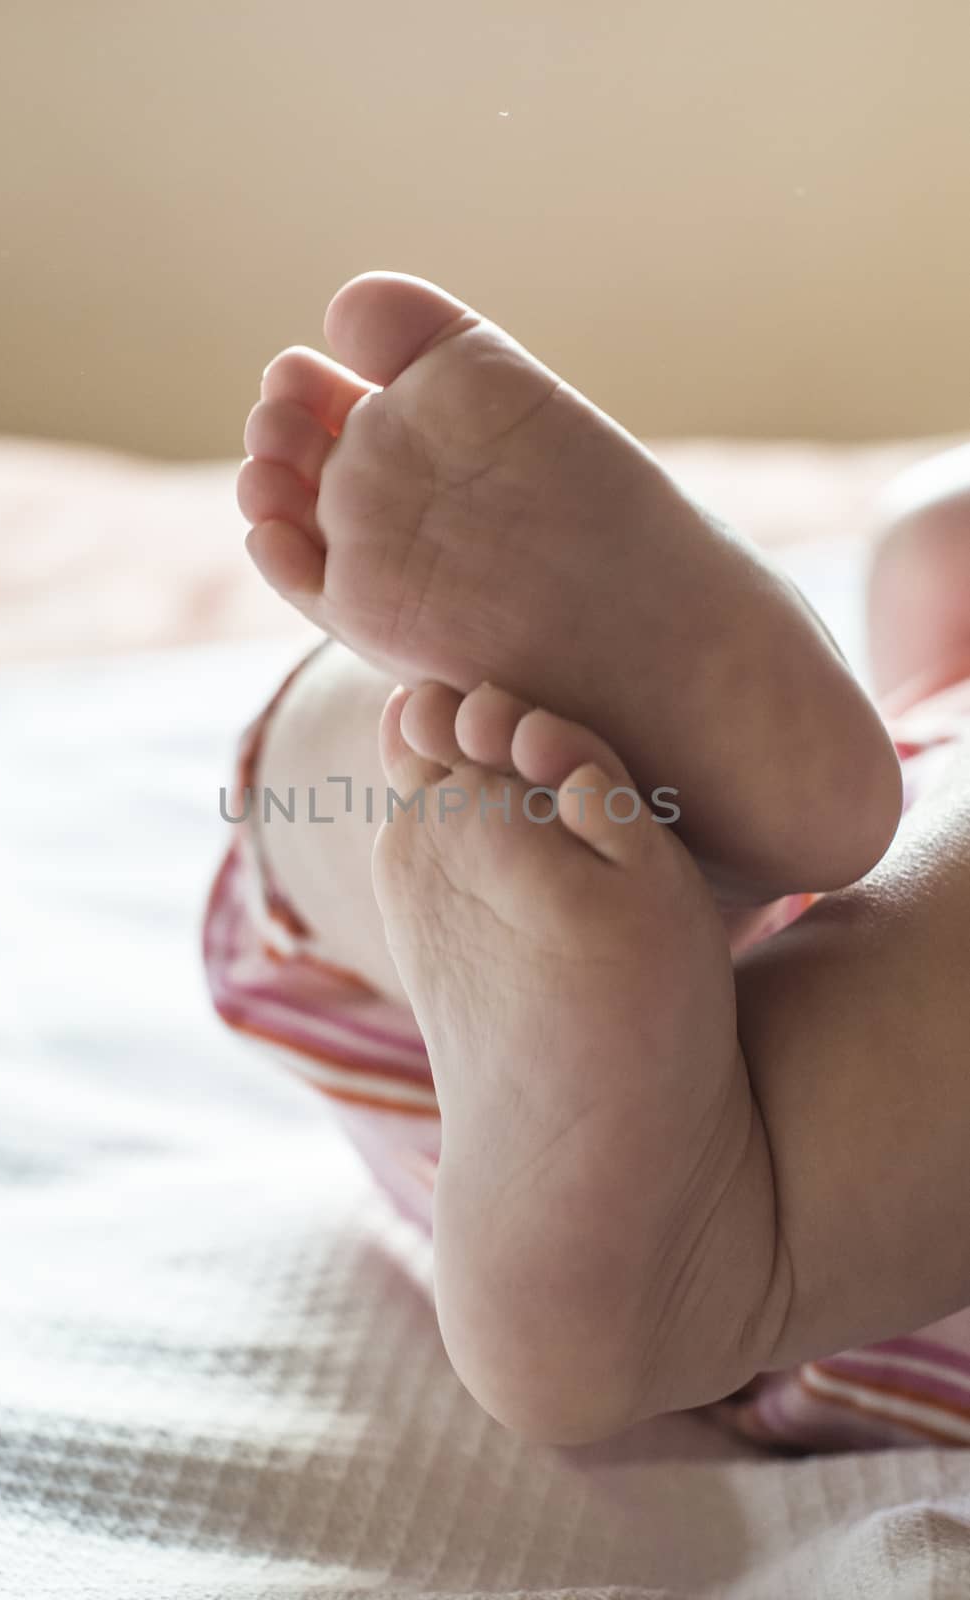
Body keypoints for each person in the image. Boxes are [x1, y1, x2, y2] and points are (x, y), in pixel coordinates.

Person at [206, 272, 970, 1451]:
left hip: (730, 1207)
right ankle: (703, 838)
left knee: (348, 779)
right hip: (560, 1117)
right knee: (389, 768)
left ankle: (724, 1231)